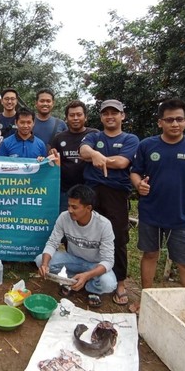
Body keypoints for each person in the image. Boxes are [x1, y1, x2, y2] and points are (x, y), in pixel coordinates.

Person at [128, 99, 185, 314]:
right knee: (150, 255)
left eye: (179, 119)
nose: (174, 124)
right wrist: (138, 184)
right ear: (160, 122)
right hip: (150, 213)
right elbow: (134, 171)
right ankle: (146, 301)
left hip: (181, 216)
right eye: (169, 120)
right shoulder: (147, 145)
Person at [80, 99, 139, 307]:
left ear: (122, 116)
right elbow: (83, 151)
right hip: (91, 192)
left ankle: (120, 282)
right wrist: (93, 154)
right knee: (88, 234)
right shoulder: (94, 136)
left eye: (115, 112)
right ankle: (91, 276)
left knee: (118, 238)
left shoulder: (130, 139)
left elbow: (123, 162)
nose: (110, 116)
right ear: (101, 116)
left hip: (116, 194)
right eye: (106, 113)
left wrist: (98, 159)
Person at [35, 184, 117, 307]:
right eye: (69, 205)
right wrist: (45, 264)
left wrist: (87, 275)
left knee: (108, 283)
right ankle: (71, 280)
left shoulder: (104, 225)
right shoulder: (64, 217)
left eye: (74, 207)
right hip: (72, 260)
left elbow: (108, 261)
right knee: (40, 260)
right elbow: (52, 243)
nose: (70, 210)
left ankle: (91, 288)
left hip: (94, 265)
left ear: (88, 208)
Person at [50, 101, 98, 213]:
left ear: (85, 117)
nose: (75, 118)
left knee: (89, 225)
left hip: (90, 190)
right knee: (66, 222)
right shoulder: (58, 138)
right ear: (66, 118)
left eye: (79, 114)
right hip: (65, 192)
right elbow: (53, 162)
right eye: (71, 115)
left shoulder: (95, 135)